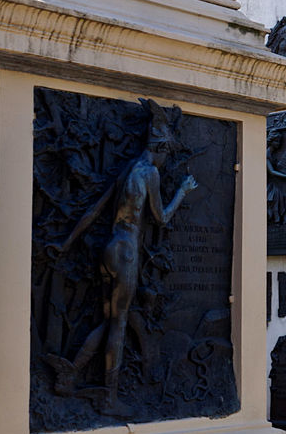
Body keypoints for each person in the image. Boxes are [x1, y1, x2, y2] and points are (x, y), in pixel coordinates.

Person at [46, 100, 197, 412]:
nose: (166, 160)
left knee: (110, 319)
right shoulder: (150, 174)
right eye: (166, 154)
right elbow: (161, 218)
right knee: (120, 323)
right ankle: (110, 399)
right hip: (127, 252)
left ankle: (71, 372)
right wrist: (182, 192)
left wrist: (65, 243)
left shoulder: (128, 170)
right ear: (161, 148)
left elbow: (93, 211)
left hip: (109, 249)